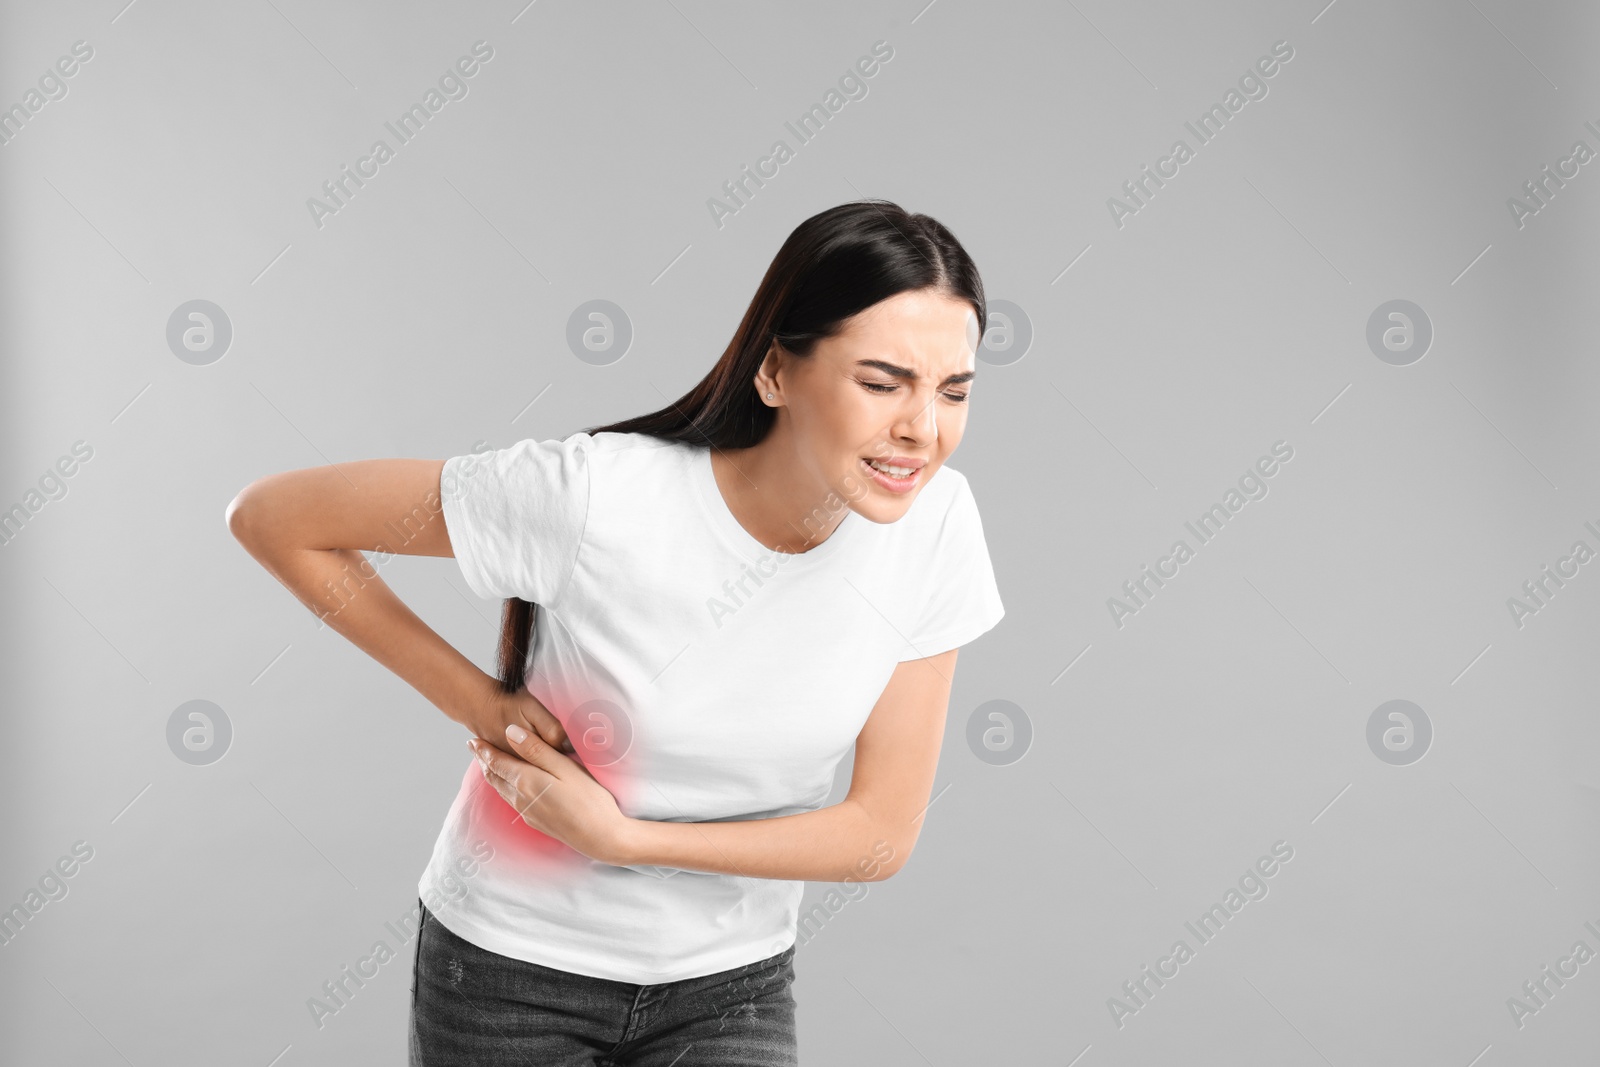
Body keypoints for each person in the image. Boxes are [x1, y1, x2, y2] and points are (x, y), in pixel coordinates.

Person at [226, 199, 1005, 1066]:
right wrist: (485, 706)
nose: (923, 431)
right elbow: (273, 518)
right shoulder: (602, 498)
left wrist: (627, 841)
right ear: (776, 371)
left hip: (731, 982)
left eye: (954, 390)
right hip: (510, 971)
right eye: (882, 381)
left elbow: (881, 832)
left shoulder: (937, 526)